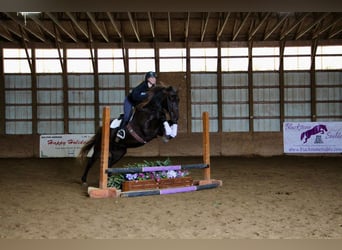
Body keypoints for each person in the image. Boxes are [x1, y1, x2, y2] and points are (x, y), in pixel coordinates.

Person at [116, 71, 157, 139]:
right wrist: (146, 95)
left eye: (155, 78)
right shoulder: (143, 86)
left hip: (138, 104)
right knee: (127, 116)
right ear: (148, 79)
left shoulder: (153, 88)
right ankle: (120, 130)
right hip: (130, 102)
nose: (154, 79)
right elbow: (134, 96)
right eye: (152, 78)